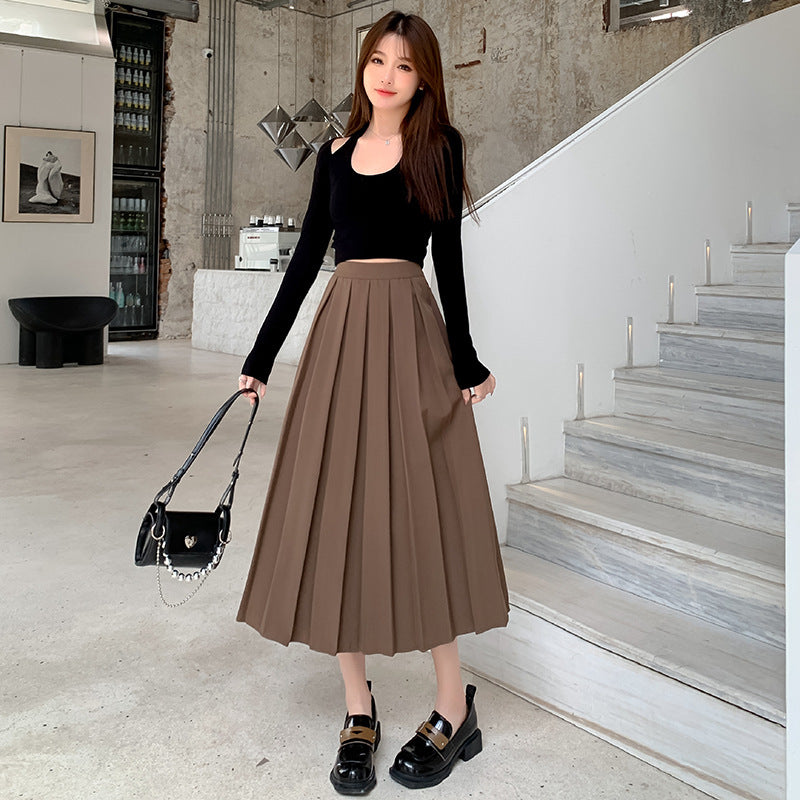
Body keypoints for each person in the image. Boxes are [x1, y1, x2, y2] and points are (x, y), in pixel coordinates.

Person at [236, 11, 509, 794]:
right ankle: (358, 705)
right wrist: (259, 359)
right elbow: (300, 270)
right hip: (340, 336)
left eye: (405, 65)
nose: (387, 74)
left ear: (424, 79)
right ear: (365, 70)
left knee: (425, 513)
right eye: (377, 60)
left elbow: (449, 263)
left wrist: (465, 359)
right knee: (337, 513)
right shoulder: (332, 156)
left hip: (412, 336)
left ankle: (453, 706)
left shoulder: (437, 148)